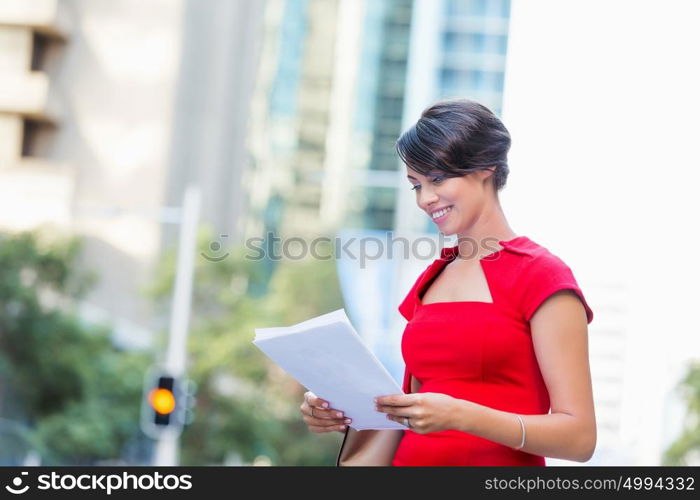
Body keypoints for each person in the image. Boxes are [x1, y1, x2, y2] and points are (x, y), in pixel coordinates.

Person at [299, 98, 596, 466]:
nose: (426, 199)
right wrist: (346, 411)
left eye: (437, 179)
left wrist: (461, 416)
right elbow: (413, 406)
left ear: (486, 166)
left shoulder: (541, 275)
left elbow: (579, 438)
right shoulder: (432, 278)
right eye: (415, 185)